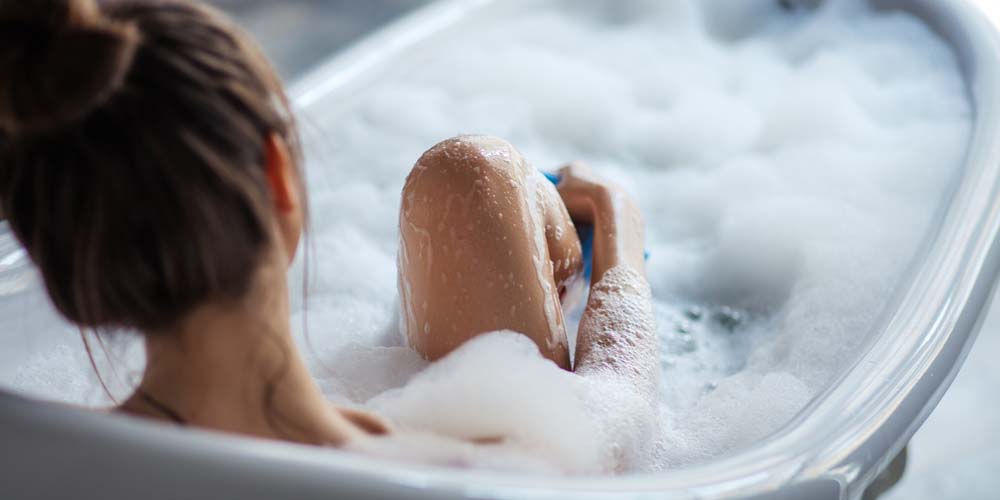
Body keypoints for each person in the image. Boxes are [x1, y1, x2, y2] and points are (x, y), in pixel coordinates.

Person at [0, 0, 656, 465]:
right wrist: (614, 214)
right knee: (472, 174)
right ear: (277, 176)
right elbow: (611, 428)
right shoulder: (459, 471)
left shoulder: (27, 452)